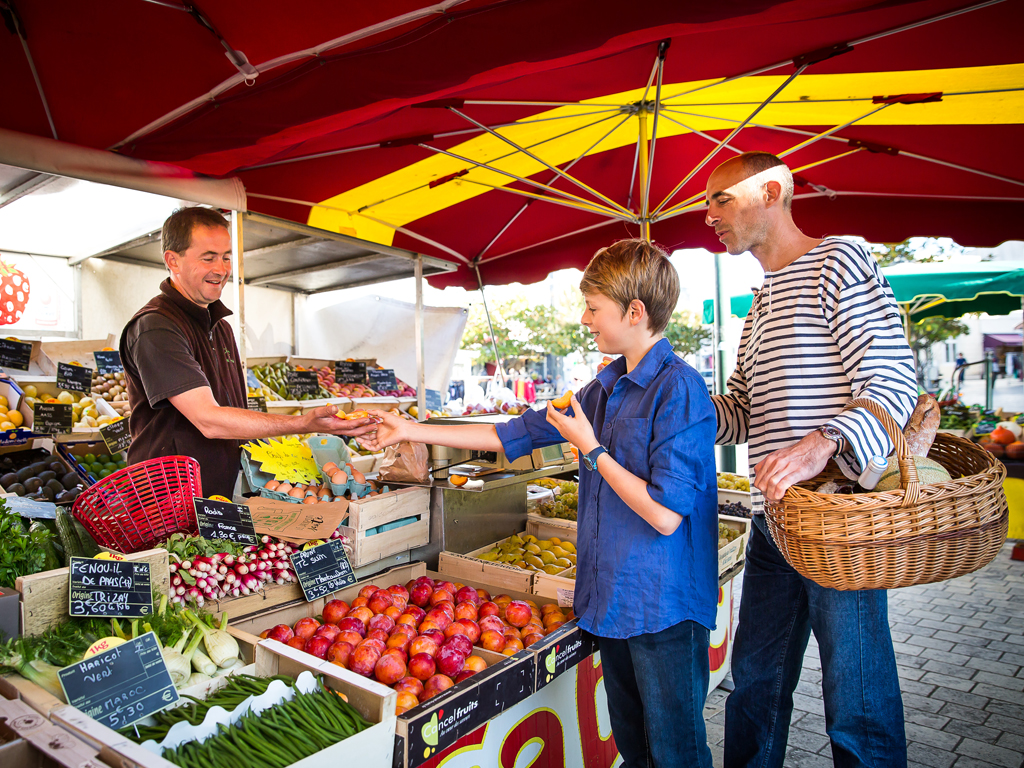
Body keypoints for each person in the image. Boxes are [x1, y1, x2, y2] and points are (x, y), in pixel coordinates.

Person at [361, 239, 718, 767]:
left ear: (635, 312)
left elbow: (665, 515)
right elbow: (512, 434)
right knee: (635, 748)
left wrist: (591, 449)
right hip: (611, 601)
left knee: (677, 753)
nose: (584, 317)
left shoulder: (680, 389)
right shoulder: (599, 390)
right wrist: (408, 428)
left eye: (594, 308)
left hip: (662, 606)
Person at [705, 152, 918, 768]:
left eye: (722, 199)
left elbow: (894, 385)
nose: (709, 215)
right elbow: (745, 411)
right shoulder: (760, 302)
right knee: (753, 688)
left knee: (856, 705)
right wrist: (681, 404)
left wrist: (820, 442)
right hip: (776, 527)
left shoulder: (838, 260)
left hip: (841, 525)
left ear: (771, 191)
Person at [120, 207, 375, 498]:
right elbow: (209, 419)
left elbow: (233, 410)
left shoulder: (221, 328)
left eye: (227, 256)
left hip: (216, 491)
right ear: (172, 260)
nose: (222, 268)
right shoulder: (156, 327)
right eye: (209, 257)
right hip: (167, 498)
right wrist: (302, 423)